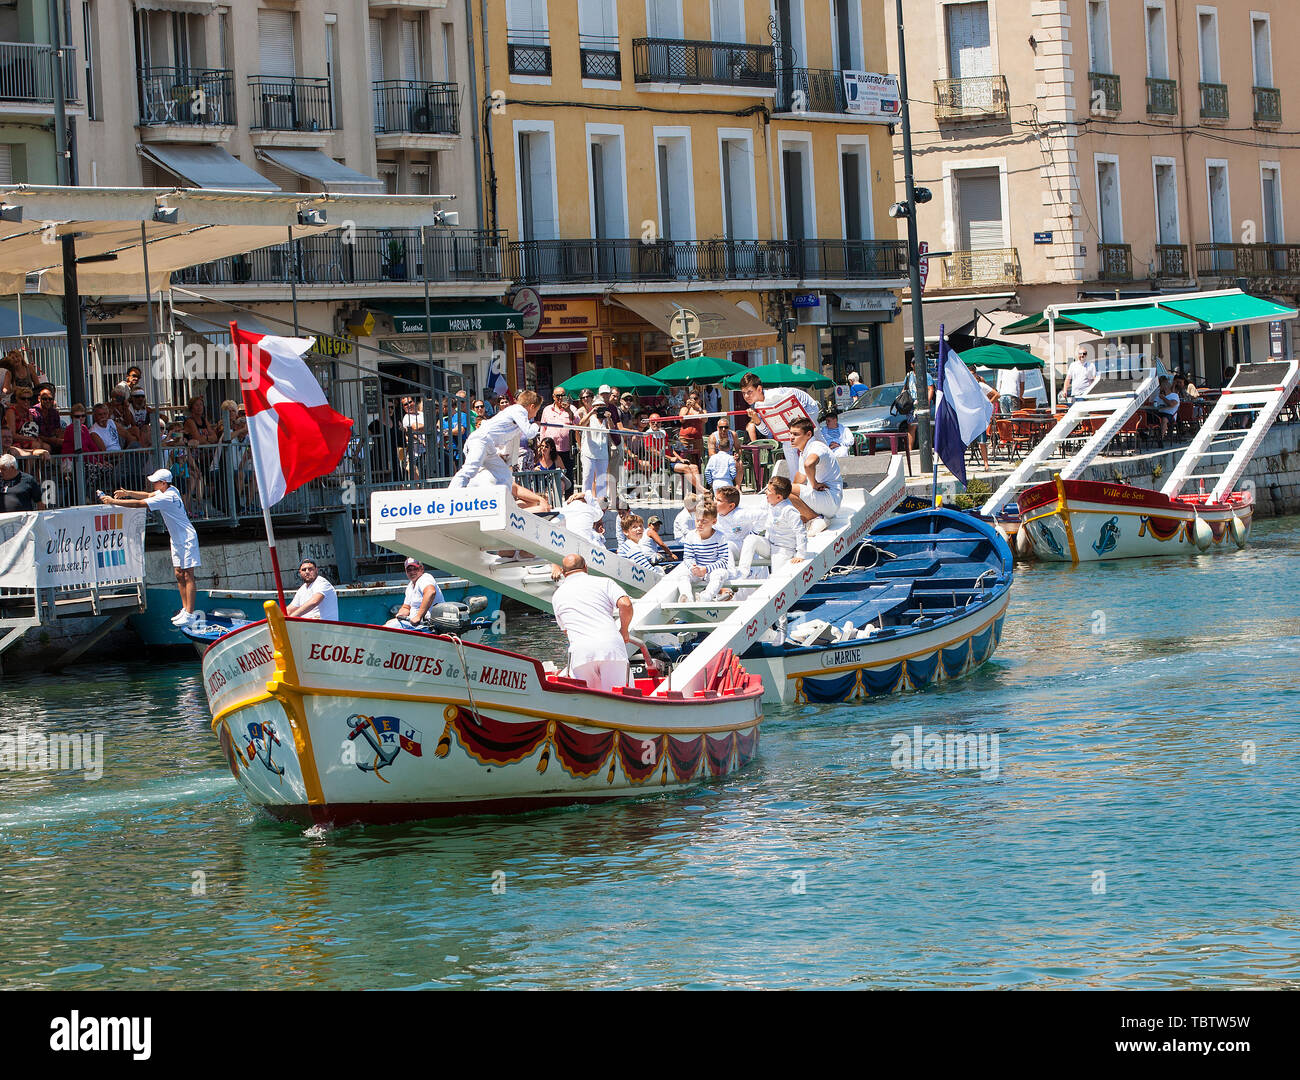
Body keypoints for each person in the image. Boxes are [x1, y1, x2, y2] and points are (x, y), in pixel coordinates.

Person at [100, 469, 200, 626]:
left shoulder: (168, 496)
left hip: (187, 538)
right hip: (176, 539)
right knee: (179, 574)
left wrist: (114, 502)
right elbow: (147, 495)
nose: (152, 484)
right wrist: (128, 493)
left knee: (188, 575)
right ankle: (185, 609)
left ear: (163, 483)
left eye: (155, 482)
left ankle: (190, 613)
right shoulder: (170, 489)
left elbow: (140, 504)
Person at [552, 553, 633, 692]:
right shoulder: (604, 582)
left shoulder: (557, 595)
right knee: (623, 695)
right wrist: (624, 630)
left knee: (590, 700)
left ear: (564, 573)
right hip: (610, 647)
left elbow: (566, 630)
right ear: (585, 567)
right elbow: (625, 604)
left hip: (580, 653)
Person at [448, 389, 541, 489]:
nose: (535, 414)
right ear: (532, 406)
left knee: (505, 475)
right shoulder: (519, 410)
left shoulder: (515, 413)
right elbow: (530, 433)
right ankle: (450, 495)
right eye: (537, 411)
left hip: (489, 445)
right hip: (481, 440)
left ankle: (503, 499)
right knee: (470, 469)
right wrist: (536, 425)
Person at [737, 371, 820, 479]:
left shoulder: (775, 395)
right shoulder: (758, 405)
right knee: (788, 443)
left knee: (807, 440)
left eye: (749, 392)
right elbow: (768, 432)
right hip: (794, 419)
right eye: (743, 393)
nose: (746, 396)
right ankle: (794, 479)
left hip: (808, 408)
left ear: (759, 389)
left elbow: (796, 400)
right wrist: (757, 420)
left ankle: (812, 475)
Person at [737, 477, 807, 579]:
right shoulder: (768, 503)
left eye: (769, 490)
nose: (765, 492)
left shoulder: (789, 510)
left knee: (777, 578)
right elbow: (754, 511)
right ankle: (742, 572)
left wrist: (801, 554)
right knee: (750, 539)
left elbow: (800, 532)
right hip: (769, 545)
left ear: (779, 497)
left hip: (784, 549)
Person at [788, 416, 843, 535]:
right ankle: (808, 519)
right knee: (781, 491)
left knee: (782, 489)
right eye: (791, 434)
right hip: (822, 498)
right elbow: (800, 478)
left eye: (796, 434)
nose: (791, 437)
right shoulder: (804, 451)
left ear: (808, 434)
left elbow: (809, 464)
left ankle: (817, 519)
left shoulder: (816, 446)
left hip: (830, 499)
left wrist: (814, 484)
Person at [679, 500, 734, 602]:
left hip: (712, 570)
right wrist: (693, 567)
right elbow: (688, 557)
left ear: (714, 521)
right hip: (697, 571)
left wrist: (706, 569)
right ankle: (686, 596)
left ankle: (706, 596)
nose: (699, 524)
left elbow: (723, 561)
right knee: (683, 573)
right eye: (697, 520)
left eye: (704, 521)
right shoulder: (690, 536)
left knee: (719, 574)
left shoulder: (720, 537)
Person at [385, 558, 444, 629]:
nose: (412, 572)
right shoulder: (410, 586)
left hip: (428, 625)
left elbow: (430, 592)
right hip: (413, 623)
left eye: (415, 569)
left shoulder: (425, 578)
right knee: (389, 623)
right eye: (409, 570)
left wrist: (418, 616)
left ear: (421, 569)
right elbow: (406, 607)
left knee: (390, 627)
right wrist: (401, 614)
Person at [713, 484, 767, 560]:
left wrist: (754, 533)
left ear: (731, 506)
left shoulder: (740, 515)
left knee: (727, 548)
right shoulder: (714, 513)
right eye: (715, 498)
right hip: (722, 546)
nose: (714, 502)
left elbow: (764, 515)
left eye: (719, 500)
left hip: (739, 546)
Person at [540, 388, 578, 475]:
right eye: (558, 396)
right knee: (552, 475)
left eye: (563, 395)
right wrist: (542, 447)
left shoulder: (572, 408)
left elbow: (577, 424)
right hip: (551, 449)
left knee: (568, 475)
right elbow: (543, 429)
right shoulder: (547, 409)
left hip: (567, 449)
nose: (560, 398)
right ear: (553, 397)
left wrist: (568, 411)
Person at [580, 403, 611, 501]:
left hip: (602, 453)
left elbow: (612, 429)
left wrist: (609, 418)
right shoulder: (590, 417)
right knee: (587, 477)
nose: (600, 409)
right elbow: (581, 424)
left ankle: (601, 501)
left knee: (601, 478)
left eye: (602, 406)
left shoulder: (606, 419)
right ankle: (586, 499)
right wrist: (591, 413)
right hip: (589, 452)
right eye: (597, 406)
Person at [903, 363, 936, 451]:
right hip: (912, 405)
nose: (917, 366)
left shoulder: (926, 375)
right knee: (911, 427)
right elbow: (905, 389)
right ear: (912, 365)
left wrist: (927, 402)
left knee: (924, 426)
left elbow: (930, 389)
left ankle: (926, 448)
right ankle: (910, 450)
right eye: (915, 364)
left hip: (923, 405)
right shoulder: (909, 376)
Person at [1145, 376, 1180, 443]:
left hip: (1170, 414)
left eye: (1163, 388)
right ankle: (1143, 434)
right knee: (1145, 417)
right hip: (1159, 413)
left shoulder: (1174, 396)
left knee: (1164, 419)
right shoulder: (1159, 396)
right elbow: (1154, 404)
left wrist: (1163, 398)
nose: (1161, 389)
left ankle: (1161, 438)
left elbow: (1172, 404)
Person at [29, 385, 64, 454]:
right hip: (38, 440)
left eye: (50, 399)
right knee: (46, 447)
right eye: (45, 399)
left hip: (52, 439)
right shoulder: (32, 412)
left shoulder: (54, 413)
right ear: (39, 399)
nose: (48, 401)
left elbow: (58, 431)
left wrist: (61, 440)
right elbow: (34, 434)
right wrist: (52, 440)